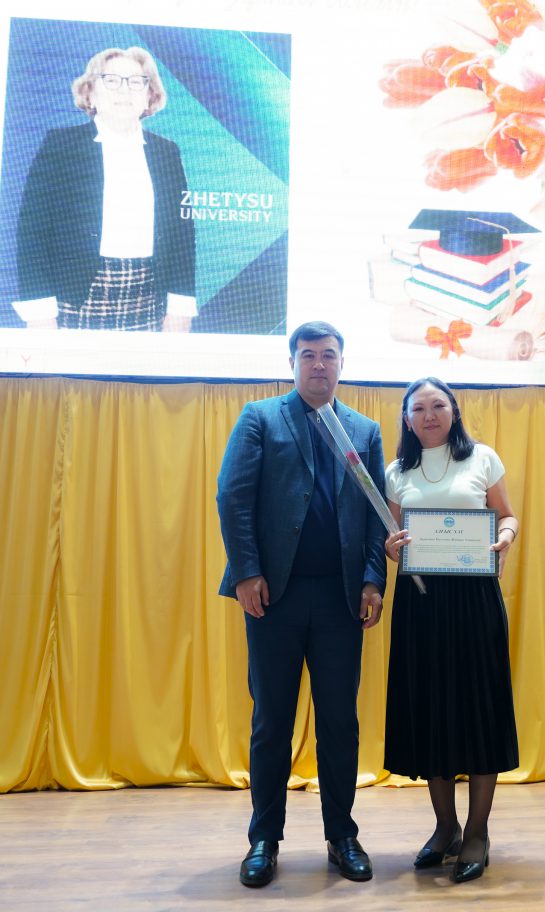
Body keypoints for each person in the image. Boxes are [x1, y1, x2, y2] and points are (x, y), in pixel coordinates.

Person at [216, 321, 387, 888]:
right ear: (292, 363)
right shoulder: (261, 418)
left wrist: (373, 579)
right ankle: (263, 838)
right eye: (308, 355)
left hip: (341, 601)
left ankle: (343, 835)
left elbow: (377, 512)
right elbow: (233, 496)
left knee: (340, 722)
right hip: (275, 598)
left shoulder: (363, 430)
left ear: (341, 364)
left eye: (328, 355)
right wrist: (247, 571)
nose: (318, 364)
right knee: (271, 722)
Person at [383, 377, 519, 884]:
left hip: (475, 601)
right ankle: (446, 828)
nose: (430, 414)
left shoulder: (482, 457)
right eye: (419, 408)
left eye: (438, 405)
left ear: (454, 411)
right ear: (407, 418)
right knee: (431, 711)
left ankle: (478, 832)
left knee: (480, 709)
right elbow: (393, 540)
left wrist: (505, 538)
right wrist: (391, 548)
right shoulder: (396, 471)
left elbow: (507, 518)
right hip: (420, 605)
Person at [13, 46, 195, 331]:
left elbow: (182, 237)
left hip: (148, 301)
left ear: (150, 95)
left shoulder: (166, 152)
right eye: (111, 80)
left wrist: (180, 310)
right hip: (75, 300)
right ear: (91, 92)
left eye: (136, 82)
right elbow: (32, 234)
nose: (124, 90)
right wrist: (39, 314)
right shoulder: (61, 147)